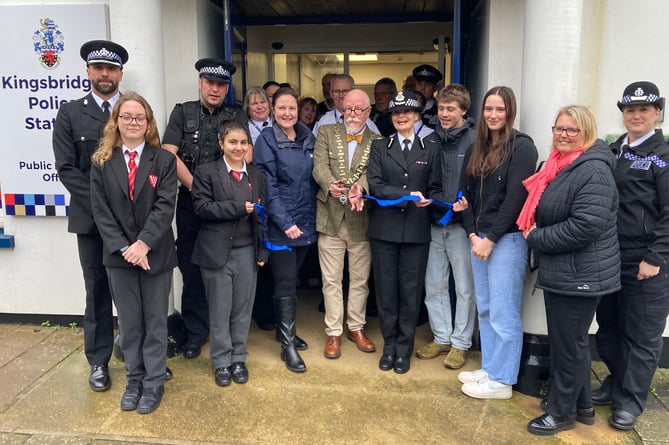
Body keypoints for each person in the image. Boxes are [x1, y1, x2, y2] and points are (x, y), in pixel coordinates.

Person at [518, 105, 620, 435]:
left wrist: (537, 236)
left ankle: (561, 413)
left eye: (571, 130)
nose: (563, 135)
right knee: (572, 343)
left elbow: (585, 226)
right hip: (567, 271)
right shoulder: (562, 165)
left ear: (586, 133)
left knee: (569, 346)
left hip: (581, 274)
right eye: (558, 128)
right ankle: (583, 406)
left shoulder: (593, 170)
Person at [90, 92, 177, 414]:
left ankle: (154, 382)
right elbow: (101, 212)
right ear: (116, 121)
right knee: (129, 324)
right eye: (126, 116)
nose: (133, 122)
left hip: (156, 254)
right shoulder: (101, 162)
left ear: (149, 123)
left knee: (155, 322)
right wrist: (127, 248)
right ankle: (135, 379)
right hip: (119, 257)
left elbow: (165, 206)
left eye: (139, 117)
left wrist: (143, 244)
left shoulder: (164, 161)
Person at [52, 39, 128, 392]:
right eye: (98, 68)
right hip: (92, 221)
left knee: (132, 289)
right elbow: (67, 169)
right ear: (88, 72)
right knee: (97, 289)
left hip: (131, 220)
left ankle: (135, 352)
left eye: (111, 69)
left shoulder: (132, 109)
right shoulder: (70, 113)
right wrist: (103, 207)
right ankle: (98, 361)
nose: (104, 74)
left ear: (120, 73)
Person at [594, 81, 669, 431]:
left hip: (646, 259)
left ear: (657, 112)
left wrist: (655, 257)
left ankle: (631, 399)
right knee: (610, 326)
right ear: (622, 113)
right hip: (610, 255)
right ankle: (616, 381)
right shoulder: (614, 150)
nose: (636, 115)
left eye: (644, 109)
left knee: (641, 334)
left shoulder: (662, 156)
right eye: (630, 110)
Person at [162, 58, 246, 360]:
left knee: (224, 269)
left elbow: (243, 154)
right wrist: (198, 188)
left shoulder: (236, 114)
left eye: (221, 84)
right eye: (210, 83)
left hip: (225, 206)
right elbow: (169, 154)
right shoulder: (182, 112)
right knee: (192, 269)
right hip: (189, 205)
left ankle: (224, 333)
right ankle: (196, 333)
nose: (215, 89)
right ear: (200, 83)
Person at [457, 86, 538, 399]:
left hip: (506, 240)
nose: (493, 115)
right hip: (478, 239)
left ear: (510, 112)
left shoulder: (523, 147)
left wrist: (490, 238)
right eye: (489, 109)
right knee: (487, 308)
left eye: (500, 109)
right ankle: (491, 367)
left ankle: (503, 380)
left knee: (504, 312)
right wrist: (473, 234)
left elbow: (515, 199)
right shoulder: (479, 145)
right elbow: (464, 197)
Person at [366, 91, 442, 374]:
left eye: (407, 113)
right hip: (384, 230)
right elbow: (376, 186)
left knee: (410, 292)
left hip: (415, 231)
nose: (401, 117)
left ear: (417, 116)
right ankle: (389, 346)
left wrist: (431, 199)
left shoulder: (429, 147)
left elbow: (435, 185)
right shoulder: (379, 146)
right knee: (386, 292)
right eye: (396, 113)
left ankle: (404, 348)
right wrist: (409, 194)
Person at [190, 118, 270, 387]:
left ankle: (238, 358)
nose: (238, 147)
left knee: (242, 309)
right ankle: (221, 362)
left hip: (247, 251)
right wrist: (238, 207)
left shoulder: (256, 175)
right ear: (221, 144)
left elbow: (261, 216)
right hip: (215, 252)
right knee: (220, 309)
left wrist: (263, 250)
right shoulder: (206, 172)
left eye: (243, 142)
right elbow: (202, 208)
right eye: (232, 142)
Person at [312, 89, 383, 359]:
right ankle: (333, 332)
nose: (352, 114)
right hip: (329, 216)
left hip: (361, 218)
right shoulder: (326, 132)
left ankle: (356, 327)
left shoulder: (378, 141)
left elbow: (373, 174)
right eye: (348, 109)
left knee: (359, 280)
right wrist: (329, 183)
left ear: (368, 112)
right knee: (330, 280)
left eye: (358, 109)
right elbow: (318, 165)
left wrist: (359, 189)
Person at [254, 87, 317, 373]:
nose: (288, 114)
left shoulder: (307, 137)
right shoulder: (266, 141)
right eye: (281, 109)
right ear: (272, 109)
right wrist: (284, 222)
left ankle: (284, 331)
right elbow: (268, 186)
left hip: (306, 222)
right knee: (285, 281)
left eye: (292, 108)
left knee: (294, 281)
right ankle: (287, 345)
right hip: (282, 226)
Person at [418, 84, 476, 370]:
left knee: (465, 287)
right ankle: (441, 337)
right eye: (441, 108)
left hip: (461, 226)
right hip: (433, 221)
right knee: (434, 284)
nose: (444, 113)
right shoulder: (430, 139)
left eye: (450, 109)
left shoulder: (475, 141)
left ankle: (461, 343)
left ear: (463, 111)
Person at [312, 74, 380, 136]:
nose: (341, 95)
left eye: (345, 91)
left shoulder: (367, 123)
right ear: (331, 93)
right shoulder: (323, 121)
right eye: (336, 91)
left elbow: (378, 147)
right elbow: (315, 148)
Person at [412, 64, 443, 130]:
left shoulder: (441, 110)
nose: (423, 88)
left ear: (435, 88)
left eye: (428, 84)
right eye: (419, 83)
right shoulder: (406, 108)